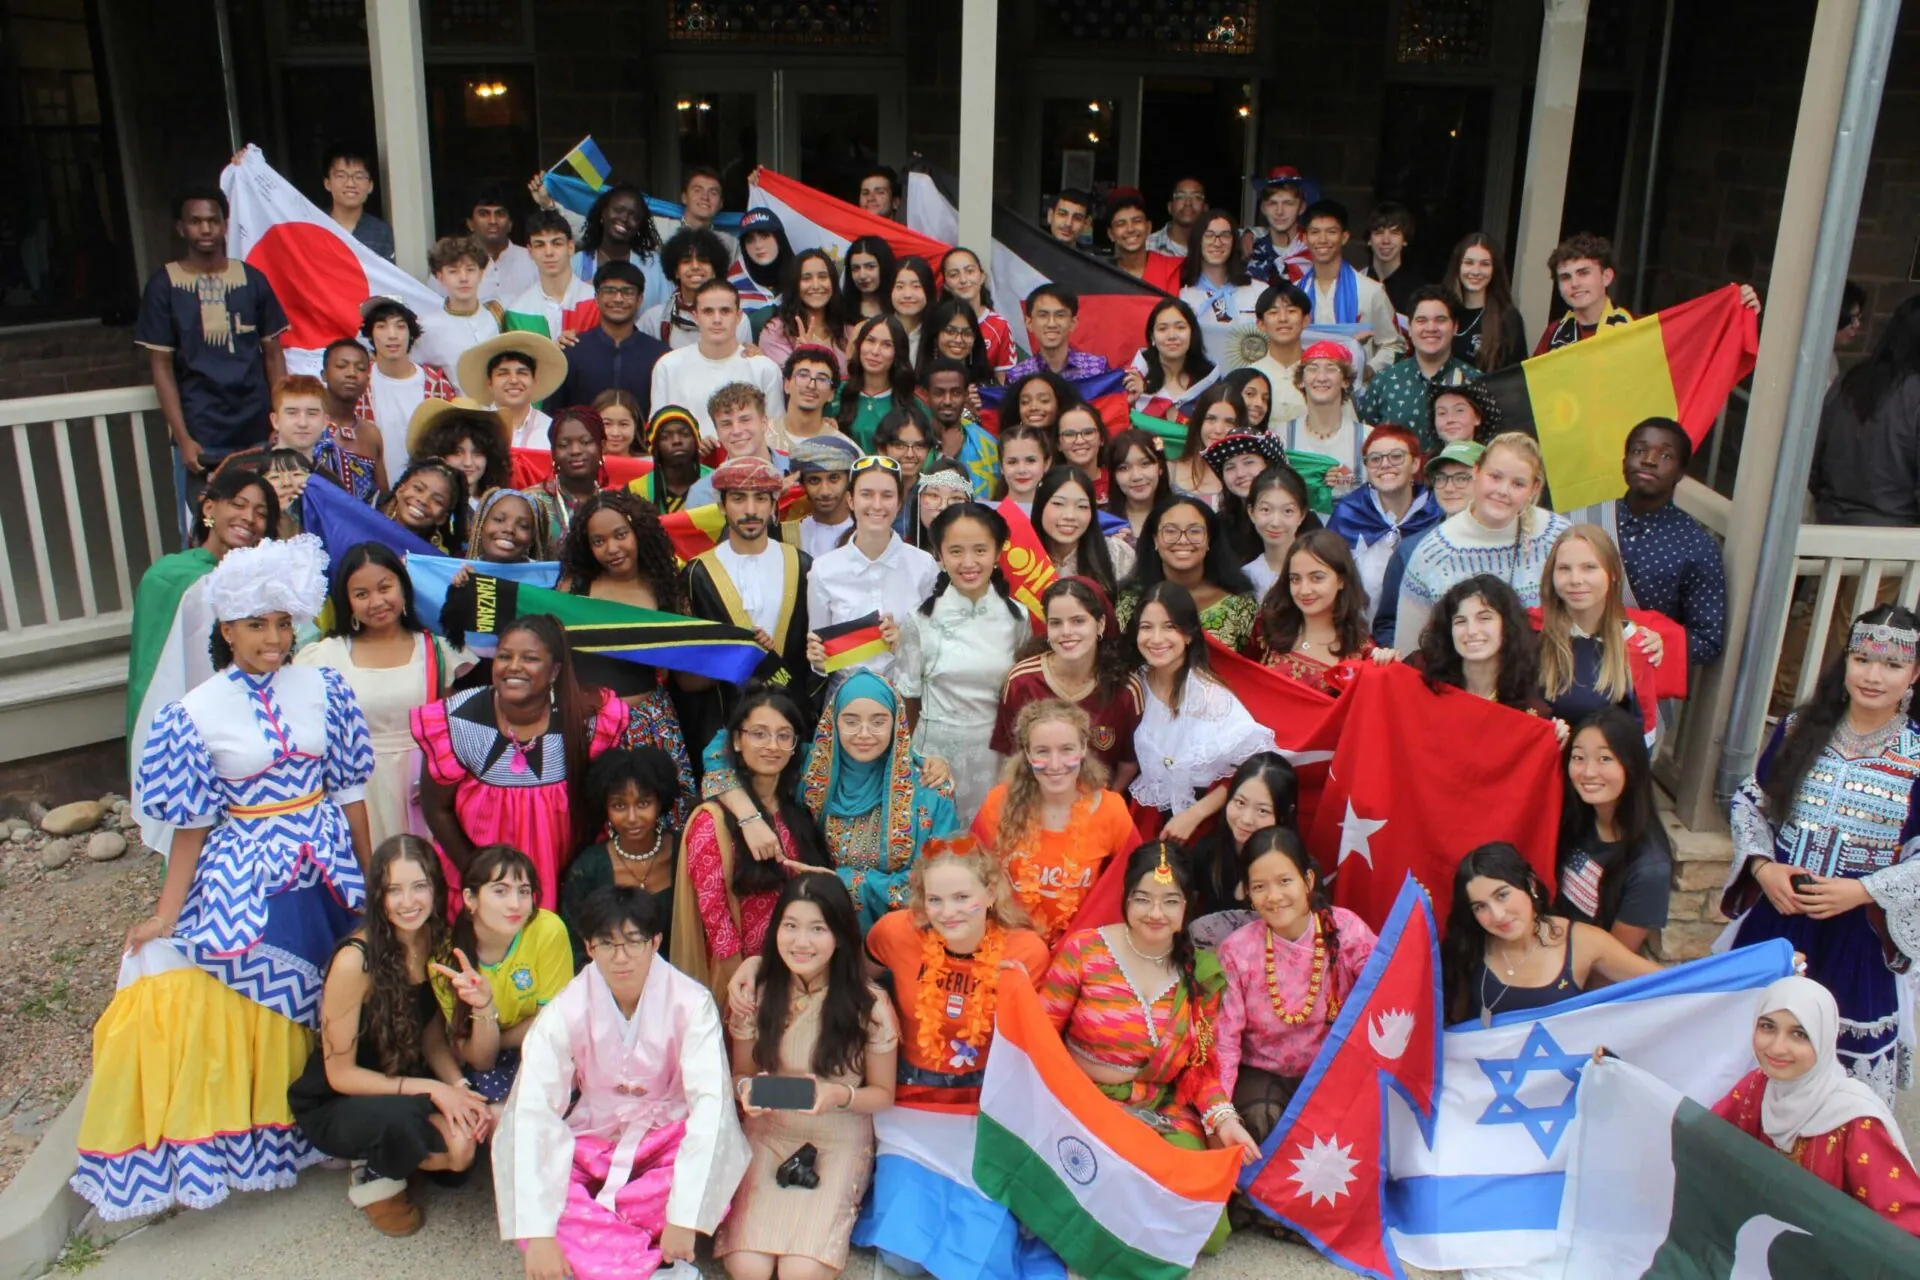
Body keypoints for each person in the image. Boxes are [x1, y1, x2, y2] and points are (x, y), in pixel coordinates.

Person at [76, 535, 369, 1222]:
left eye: (281, 623)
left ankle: (335, 1122)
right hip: (248, 864)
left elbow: (351, 791)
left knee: (342, 983)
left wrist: (373, 876)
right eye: (256, 625)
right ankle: (271, 1134)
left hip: (327, 858)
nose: (273, 638)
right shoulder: (196, 712)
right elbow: (192, 826)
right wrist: (165, 913)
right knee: (228, 988)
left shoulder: (325, 686)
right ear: (227, 628)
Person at [496, 882, 750, 1276]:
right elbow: (531, 1108)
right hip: (596, 1138)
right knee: (536, 1211)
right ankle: (656, 1266)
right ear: (589, 946)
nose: (621, 957)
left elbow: (711, 1107)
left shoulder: (691, 1002)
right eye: (607, 944)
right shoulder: (568, 1007)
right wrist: (538, 1232)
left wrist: (684, 1216)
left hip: (666, 1135)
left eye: (634, 941)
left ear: (656, 942)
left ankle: (598, 1249)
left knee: (699, 1182)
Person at [1722, 605, 1920, 1101]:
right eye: (1862, 659)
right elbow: (1751, 803)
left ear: (1915, 674)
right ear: (1846, 663)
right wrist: (1763, 868)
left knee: (1838, 1080)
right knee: (1746, 1053)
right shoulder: (1798, 729)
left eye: (1893, 665)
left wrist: (1863, 889)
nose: (1873, 676)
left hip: (1859, 935)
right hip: (1779, 920)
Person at [1040, 842, 1260, 1218]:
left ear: (1187, 905)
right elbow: (1040, 1041)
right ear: (1125, 899)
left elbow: (1199, 1068)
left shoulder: (1201, 974)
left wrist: (1225, 1121)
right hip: (1084, 1103)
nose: (1156, 913)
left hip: (1161, 1110)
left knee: (1201, 1222)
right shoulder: (1084, 952)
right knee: (1106, 1197)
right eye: (1143, 899)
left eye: (1170, 901)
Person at [286, 836, 486, 1235]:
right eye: (394, 889)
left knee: (462, 1152)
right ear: (378, 894)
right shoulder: (354, 961)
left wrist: (456, 1085)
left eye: (419, 886)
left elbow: (430, 1031)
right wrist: (433, 1091)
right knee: (408, 1122)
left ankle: (400, 1153)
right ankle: (372, 1168)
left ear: (435, 888)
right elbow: (339, 1075)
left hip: (404, 1078)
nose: (408, 901)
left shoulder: (437, 939)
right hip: (343, 1098)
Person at [718, 874, 899, 1279]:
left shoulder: (869, 1005)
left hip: (838, 1134)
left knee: (801, 1272)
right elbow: (740, 1075)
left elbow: (884, 1094)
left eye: (818, 929)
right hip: (768, 1130)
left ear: (839, 936)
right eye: (791, 926)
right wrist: (747, 1089)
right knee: (747, 1267)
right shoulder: (756, 993)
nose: (802, 942)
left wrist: (839, 1095)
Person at [412, 614, 630, 908]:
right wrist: (478, 875)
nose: (513, 666)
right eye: (504, 656)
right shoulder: (456, 722)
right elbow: (436, 808)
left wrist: (577, 869)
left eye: (530, 658)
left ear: (554, 671)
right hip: (481, 879)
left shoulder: (586, 720)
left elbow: (597, 804)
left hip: (562, 878)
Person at [1710, 976, 1920, 1232]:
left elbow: (1904, 1222)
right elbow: (1705, 1139)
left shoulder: (1854, 1121)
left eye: (1799, 1034)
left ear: (1823, 1037)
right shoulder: (1758, 1086)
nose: (1777, 1047)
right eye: (1767, 1027)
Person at [138, 185, 288, 536]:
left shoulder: (252, 280)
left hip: (257, 429)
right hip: (201, 434)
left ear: (225, 225)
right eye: (195, 221)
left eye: (212, 220)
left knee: (262, 526)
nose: (205, 229)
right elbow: (161, 368)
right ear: (181, 227)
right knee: (202, 530)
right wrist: (183, 436)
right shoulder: (164, 286)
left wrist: (279, 422)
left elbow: (273, 356)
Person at [297, 542, 467, 849]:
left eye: (384, 587)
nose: (376, 601)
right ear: (347, 601)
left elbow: (449, 728)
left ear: (402, 586)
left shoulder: (437, 650)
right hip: (357, 792)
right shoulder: (325, 657)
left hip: (423, 786)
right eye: (361, 594)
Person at [1214, 830, 1376, 1145]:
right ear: (1248, 893)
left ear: (1308, 880)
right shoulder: (1236, 951)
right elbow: (1225, 1041)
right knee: (1260, 1124)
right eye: (1260, 887)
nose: (1273, 897)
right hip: (1263, 1073)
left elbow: (1388, 992)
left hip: (1334, 1069)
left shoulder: (1347, 931)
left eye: (1285, 881)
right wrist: (1220, 1115)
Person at [669, 687, 829, 998]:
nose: (772, 745)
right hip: (743, 978)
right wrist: (743, 985)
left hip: (802, 970)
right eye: (759, 734)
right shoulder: (712, 820)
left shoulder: (799, 811)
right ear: (737, 742)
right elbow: (716, 919)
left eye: (784, 735)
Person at [896, 503, 1028, 817]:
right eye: (955, 551)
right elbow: (908, 699)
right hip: (936, 755)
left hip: (995, 752)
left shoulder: (1017, 617)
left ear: (998, 553)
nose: (968, 563)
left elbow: (1022, 692)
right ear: (939, 554)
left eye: (980, 550)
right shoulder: (919, 621)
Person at [974, 699, 1141, 944]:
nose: (1055, 764)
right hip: (1011, 946)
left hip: (1080, 953)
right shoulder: (998, 803)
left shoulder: (1111, 810)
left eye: (1067, 749)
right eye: (1042, 751)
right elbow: (974, 877)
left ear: (1083, 748)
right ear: (1028, 754)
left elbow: (1134, 882)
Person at [682, 457, 817, 751]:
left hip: (792, 722)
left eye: (761, 499)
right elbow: (689, 668)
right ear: (721, 505)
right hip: (725, 726)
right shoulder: (697, 573)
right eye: (739, 499)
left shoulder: (802, 565)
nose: (751, 510)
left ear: (774, 505)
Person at [1441, 842, 1659, 1025]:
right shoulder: (1470, 945)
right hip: (1487, 1070)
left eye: (1502, 895)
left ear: (1530, 884)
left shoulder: (1583, 942)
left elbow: (1670, 986)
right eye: (1480, 907)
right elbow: (1451, 1024)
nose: (1497, 915)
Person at [1570, 416, 1727, 667]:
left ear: (1680, 473)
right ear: (1624, 463)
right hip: (1565, 668)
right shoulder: (1577, 524)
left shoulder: (1697, 547)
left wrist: (1660, 641)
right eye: (1639, 450)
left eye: (1665, 456)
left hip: (1639, 688)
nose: (1649, 460)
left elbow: (1708, 640)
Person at [1128, 582, 1276, 841]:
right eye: (1146, 627)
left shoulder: (1210, 695)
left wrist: (1194, 815)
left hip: (1204, 831)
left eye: (1169, 627)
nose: (1156, 638)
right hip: (1144, 825)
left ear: (1188, 634)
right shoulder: (1132, 687)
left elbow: (1250, 767)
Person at [1396, 432, 1570, 648]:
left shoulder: (1558, 536)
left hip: (1548, 676)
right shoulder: (1434, 551)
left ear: (1534, 489)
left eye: (1518, 484)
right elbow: (1409, 648)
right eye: (1495, 477)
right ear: (1476, 472)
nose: (1502, 491)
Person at [432, 844, 574, 1103]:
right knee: (493, 1116)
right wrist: (484, 1006)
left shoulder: (547, 930)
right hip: (488, 1064)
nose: (516, 904)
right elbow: (482, 1061)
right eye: (501, 891)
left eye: (524, 891)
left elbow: (551, 1023)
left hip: (542, 1047)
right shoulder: (446, 961)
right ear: (470, 899)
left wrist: (501, 1040)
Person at [994, 576, 1143, 788]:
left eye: (1078, 621)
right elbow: (1010, 756)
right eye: (1056, 623)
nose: (1066, 632)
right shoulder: (1021, 680)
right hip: (1034, 804)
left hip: (1100, 806)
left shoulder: (1127, 689)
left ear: (1100, 624)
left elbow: (1128, 765)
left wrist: (1102, 808)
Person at [806, 455, 940, 683]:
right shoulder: (824, 569)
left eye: (887, 496)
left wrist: (903, 643)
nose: (877, 505)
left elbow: (936, 643)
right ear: (850, 500)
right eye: (866, 494)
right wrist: (817, 661)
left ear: (899, 502)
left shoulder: (923, 565)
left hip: (906, 693)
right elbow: (819, 647)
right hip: (846, 694)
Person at [1557, 708, 1672, 951]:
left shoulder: (1650, 868)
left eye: (1605, 759)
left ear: (1631, 766)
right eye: (1578, 757)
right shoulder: (1577, 815)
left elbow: (1611, 967)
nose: (1588, 772)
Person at [1537, 524, 1660, 743]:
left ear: (1612, 574)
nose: (1575, 579)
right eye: (1564, 568)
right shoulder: (1531, 632)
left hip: (1594, 772)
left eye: (1589, 567)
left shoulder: (1635, 645)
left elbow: (1641, 738)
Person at [563, 746, 684, 966]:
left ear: (660, 803)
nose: (632, 817)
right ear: (605, 808)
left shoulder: (685, 852)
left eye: (643, 803)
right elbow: (575, 945)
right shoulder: (589, 868)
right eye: (619, 805)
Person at [1811, 294, 1920, 527]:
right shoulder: (1913, 396)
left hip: (1827, 528)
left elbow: (1813, 462)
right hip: (1891, 546)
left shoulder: (1850, 380)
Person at [1328, 423, 1442, 623]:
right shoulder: (1348, 513)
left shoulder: (1436, 511)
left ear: (1415, 464)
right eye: (1375, 459)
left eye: (1396, 456)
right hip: (1360, 637)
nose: (1385, 464)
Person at [1374, 440, 1482, 647]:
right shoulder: (1412, 549)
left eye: (1461, 478)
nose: (1449, 488)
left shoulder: (1512, 543)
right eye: (1441, 478)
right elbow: (1388, 624)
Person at [1119, 496, 1261, 652]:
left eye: (1194, 531)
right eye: (1171, 531)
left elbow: (1250, 667)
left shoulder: (1240, 604)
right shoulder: (1130, 599)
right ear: (1155, 539)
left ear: (1209, 540)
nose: (1183, 540)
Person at [649, 279, 785, 440]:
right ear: (696, 316)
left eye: (725, 311)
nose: (717, 319)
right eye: (708, 311)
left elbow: (774, 435)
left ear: (739, 316)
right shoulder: (668, 366)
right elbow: (657, 433)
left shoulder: (765, 369)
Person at [1410, 574, 1557, 721]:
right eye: (1460, 621)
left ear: (1507, 626)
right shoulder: (1420, 674)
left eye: (1484, 618)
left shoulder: (1529, 711)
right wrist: (1387, 664)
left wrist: (1557, 736)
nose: (1471, 631)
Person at [1248, 529, 1380, 693]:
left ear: (1341, 580)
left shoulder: (1361, 652)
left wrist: (1385, 664)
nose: (1304, 590)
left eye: (1317, 578)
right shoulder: (1268, 626)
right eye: (1295, 579)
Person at [1188, 755, 1298, 946]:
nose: (1246, 819)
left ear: (1285, 813)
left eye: (1262, 810)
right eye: (1240, 803)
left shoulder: (1299, 870)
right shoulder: (1207, 851)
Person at [1357, 286, 1478, 451]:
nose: (1431, 328)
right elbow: (1365, 441)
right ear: (1410, 326)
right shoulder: (1384, 381)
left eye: (1440, 320)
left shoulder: (1475, 381)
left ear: (1455, 326)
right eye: (1422, 320)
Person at [357, 298, 456, 483]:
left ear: (411, 333)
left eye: (400, 326)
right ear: (370, 334)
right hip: (371, 498)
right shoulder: (360, 384)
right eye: (381, 326)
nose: (392, 335)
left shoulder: (437, 386)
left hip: (423, 496)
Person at [551, 261, 668, 416]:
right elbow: (553, 414)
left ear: (640, 300)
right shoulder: (572, 352)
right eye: (609, 291)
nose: (618, 299)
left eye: (627, 292)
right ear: (597, 298)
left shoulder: (660, 355)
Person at [1300, 200, 1404, 373]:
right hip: (1305, 390)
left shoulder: (1371, 291)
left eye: (1331, 232)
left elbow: (1394, 345)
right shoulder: (1296, 293)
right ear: (1305, 238)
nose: (1323, 239)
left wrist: (1367, 372)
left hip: (1356, 394)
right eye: (1315, 232)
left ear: (1345, 237)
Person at [1274, 341, 1366, 503]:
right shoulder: (1281, 436)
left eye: (1331, 368)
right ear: (1301, 380)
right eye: (1312, 369)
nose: (1321, 377)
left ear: (1345, 381)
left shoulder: (1367, 437)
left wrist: (1345, 481)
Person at [415, 235, 503, 396]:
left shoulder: (496, 315)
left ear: (481, 273)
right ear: (440, 277)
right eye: (453, 271)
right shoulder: (426, 327)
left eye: (470, 270)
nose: (463, 278)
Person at [1180, 208, 1266, 369]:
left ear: (1234, 242)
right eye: (1209, 235)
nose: (1217, 242)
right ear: (1197, 241)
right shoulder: (1181, 295)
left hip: (1250, 383)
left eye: (1225, 235)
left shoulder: (1259, 291)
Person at [271, 374, 379, 502]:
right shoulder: (250, 468)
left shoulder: (333, 486)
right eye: (292, 412)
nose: (302, 423)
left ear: (325, 422)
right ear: (275, 420)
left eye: (312, 413)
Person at [565, 181, 671, 311]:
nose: (625, 218)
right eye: (619, 210)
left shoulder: (655, 266)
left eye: (634, 216)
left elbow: (666, 313)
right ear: (603, 213)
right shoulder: (577, 263)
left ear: (640, 226)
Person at [1034, 464, 1135, 601]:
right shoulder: (1019, 556)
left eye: (1082, 506)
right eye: (1058, 504)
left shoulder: (1115, 554)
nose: (1070, 516)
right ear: (1040, 506)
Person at [639, 227, 749, 351]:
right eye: (686, 261)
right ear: (676, 271)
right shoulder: (653, 319)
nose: (695, 266)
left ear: (715, 270)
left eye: (703, 261)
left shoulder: (737, 320)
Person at [457, 331, 569, 450]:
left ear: (534, 381)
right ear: (490, 383)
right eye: (503, 373)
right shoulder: (473, 427)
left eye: (522, 373)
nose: (514, 380)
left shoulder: (551, 428)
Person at [687, 383, 791, 509]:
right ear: (717, 431)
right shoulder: (702, 494)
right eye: (726, 424)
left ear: (764, 422)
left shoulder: (800, 474)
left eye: (745, 420)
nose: (736, 431)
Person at [505, 210, 600, 343]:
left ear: (571, 247)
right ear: (530, 251)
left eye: (557, 243)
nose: (549, 252)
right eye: (540, 245)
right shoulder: (517, 312)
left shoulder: (597, 301)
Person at [1534, 232, 1633, 354]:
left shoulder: (1637, 327)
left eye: (1584, 273)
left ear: (1606, 277)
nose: (1575, 284)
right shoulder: (1553, 334)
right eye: (1565, 277)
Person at [1442, 232, 1528, 372]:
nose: (1476, 271)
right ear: (1457, 266)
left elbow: (1516, 378)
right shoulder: (1441, 311)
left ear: (1494, 270)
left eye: (1485, 264)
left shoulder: (1508, 318)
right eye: (1469, 263)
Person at [760, 250, 852, 378]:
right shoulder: (776, 330)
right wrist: (802, 357)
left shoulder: (848, 328)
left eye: (823, 277)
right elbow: (787, 383)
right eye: (806, 278)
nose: (816, 285)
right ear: (795, 284)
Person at [411, 399, 513, 513]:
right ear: (438, 453)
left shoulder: (499, 505)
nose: (468, 462)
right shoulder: (422, 502)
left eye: (477, 453)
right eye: (457, 452)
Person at [1124, 297, 1219, 417]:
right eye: (1162, 329)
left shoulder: (1210, 383)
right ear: (1152, 337)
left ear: (1192, 333)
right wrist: (1130, 404)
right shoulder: (1132, 378)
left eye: (1180, 327)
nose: (1172, 336)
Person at [1205, 431, 1291, 563]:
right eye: (1230, 467)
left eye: (1249, 462)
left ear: (1268, 465)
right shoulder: (1219, 525)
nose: (1240, 473)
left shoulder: (1299, 518)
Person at [836, 313, 917, 450]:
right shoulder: (837, 392)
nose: (875, 351)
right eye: (870, 341)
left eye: (886, 345)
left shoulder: (912, 402)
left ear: (898, 353)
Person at [923, 355, 999, 497]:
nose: (947, 401)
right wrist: (947, 457)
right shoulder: (912, 440)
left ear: (965, 395)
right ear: (926, 396)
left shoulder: (988, 445)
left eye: (956, 393)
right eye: (939, 393)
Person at [532, 405, 610, 541]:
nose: (575, 451)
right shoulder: (531, 503)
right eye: (563, 445)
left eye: (585, 442)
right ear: (553, 452)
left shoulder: (615, 503)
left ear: (602, 447)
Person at [320, 339, 388, 489]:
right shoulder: (303, 424)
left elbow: (384, 500)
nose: (352, 373)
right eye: (341, 366)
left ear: (367, 380)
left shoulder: (371, 434)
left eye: (361, 368)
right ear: (324, 374)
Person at [1005, 284, 1110, 381]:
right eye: (1043, 315)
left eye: (1060, 315)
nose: (1052, 324)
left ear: (1073, 323)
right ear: (1029, 323)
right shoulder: (1016, 377)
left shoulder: (1098, 369)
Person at [1241, 463, 1314, 603]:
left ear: (1302, 515)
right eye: (1265, 510)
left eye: (1288, 511)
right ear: (1251, 512)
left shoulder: (1319, 568)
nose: (1275, 522)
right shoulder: (1247, 577)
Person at [939, 246, 1018, 373]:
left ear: (982, 277)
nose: (963, 280)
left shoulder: (999, 326)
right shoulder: (937, 322)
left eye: (970, 271)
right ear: (946, 286)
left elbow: (1004, 381)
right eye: (954, 275)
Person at [1167, 382, 1244, 506]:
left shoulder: (1244, 478)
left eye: (1229, 422)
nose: (1218, 430)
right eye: (1211, 419)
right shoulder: (1169, 470)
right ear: (1199, 422)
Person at [465, 182, 539, 307]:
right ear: (470, 224)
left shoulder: (533, 260)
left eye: (500, 214)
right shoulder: (452, 265)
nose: (493, 221)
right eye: (484, 214)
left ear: (510, 224)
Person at [1248, 281, 1312, 424]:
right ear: (1261, 324)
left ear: (1306, 320)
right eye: (1273, 312)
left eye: (1291, 311)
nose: (1283, 319)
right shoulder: (1250, 376)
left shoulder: (1322, 373)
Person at [790, 434, 860, 559]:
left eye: (834, 478)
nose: (825, 491)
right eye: (814, 480)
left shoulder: (866, 535)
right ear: (802, 484)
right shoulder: (788, 534)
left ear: (849, 480)